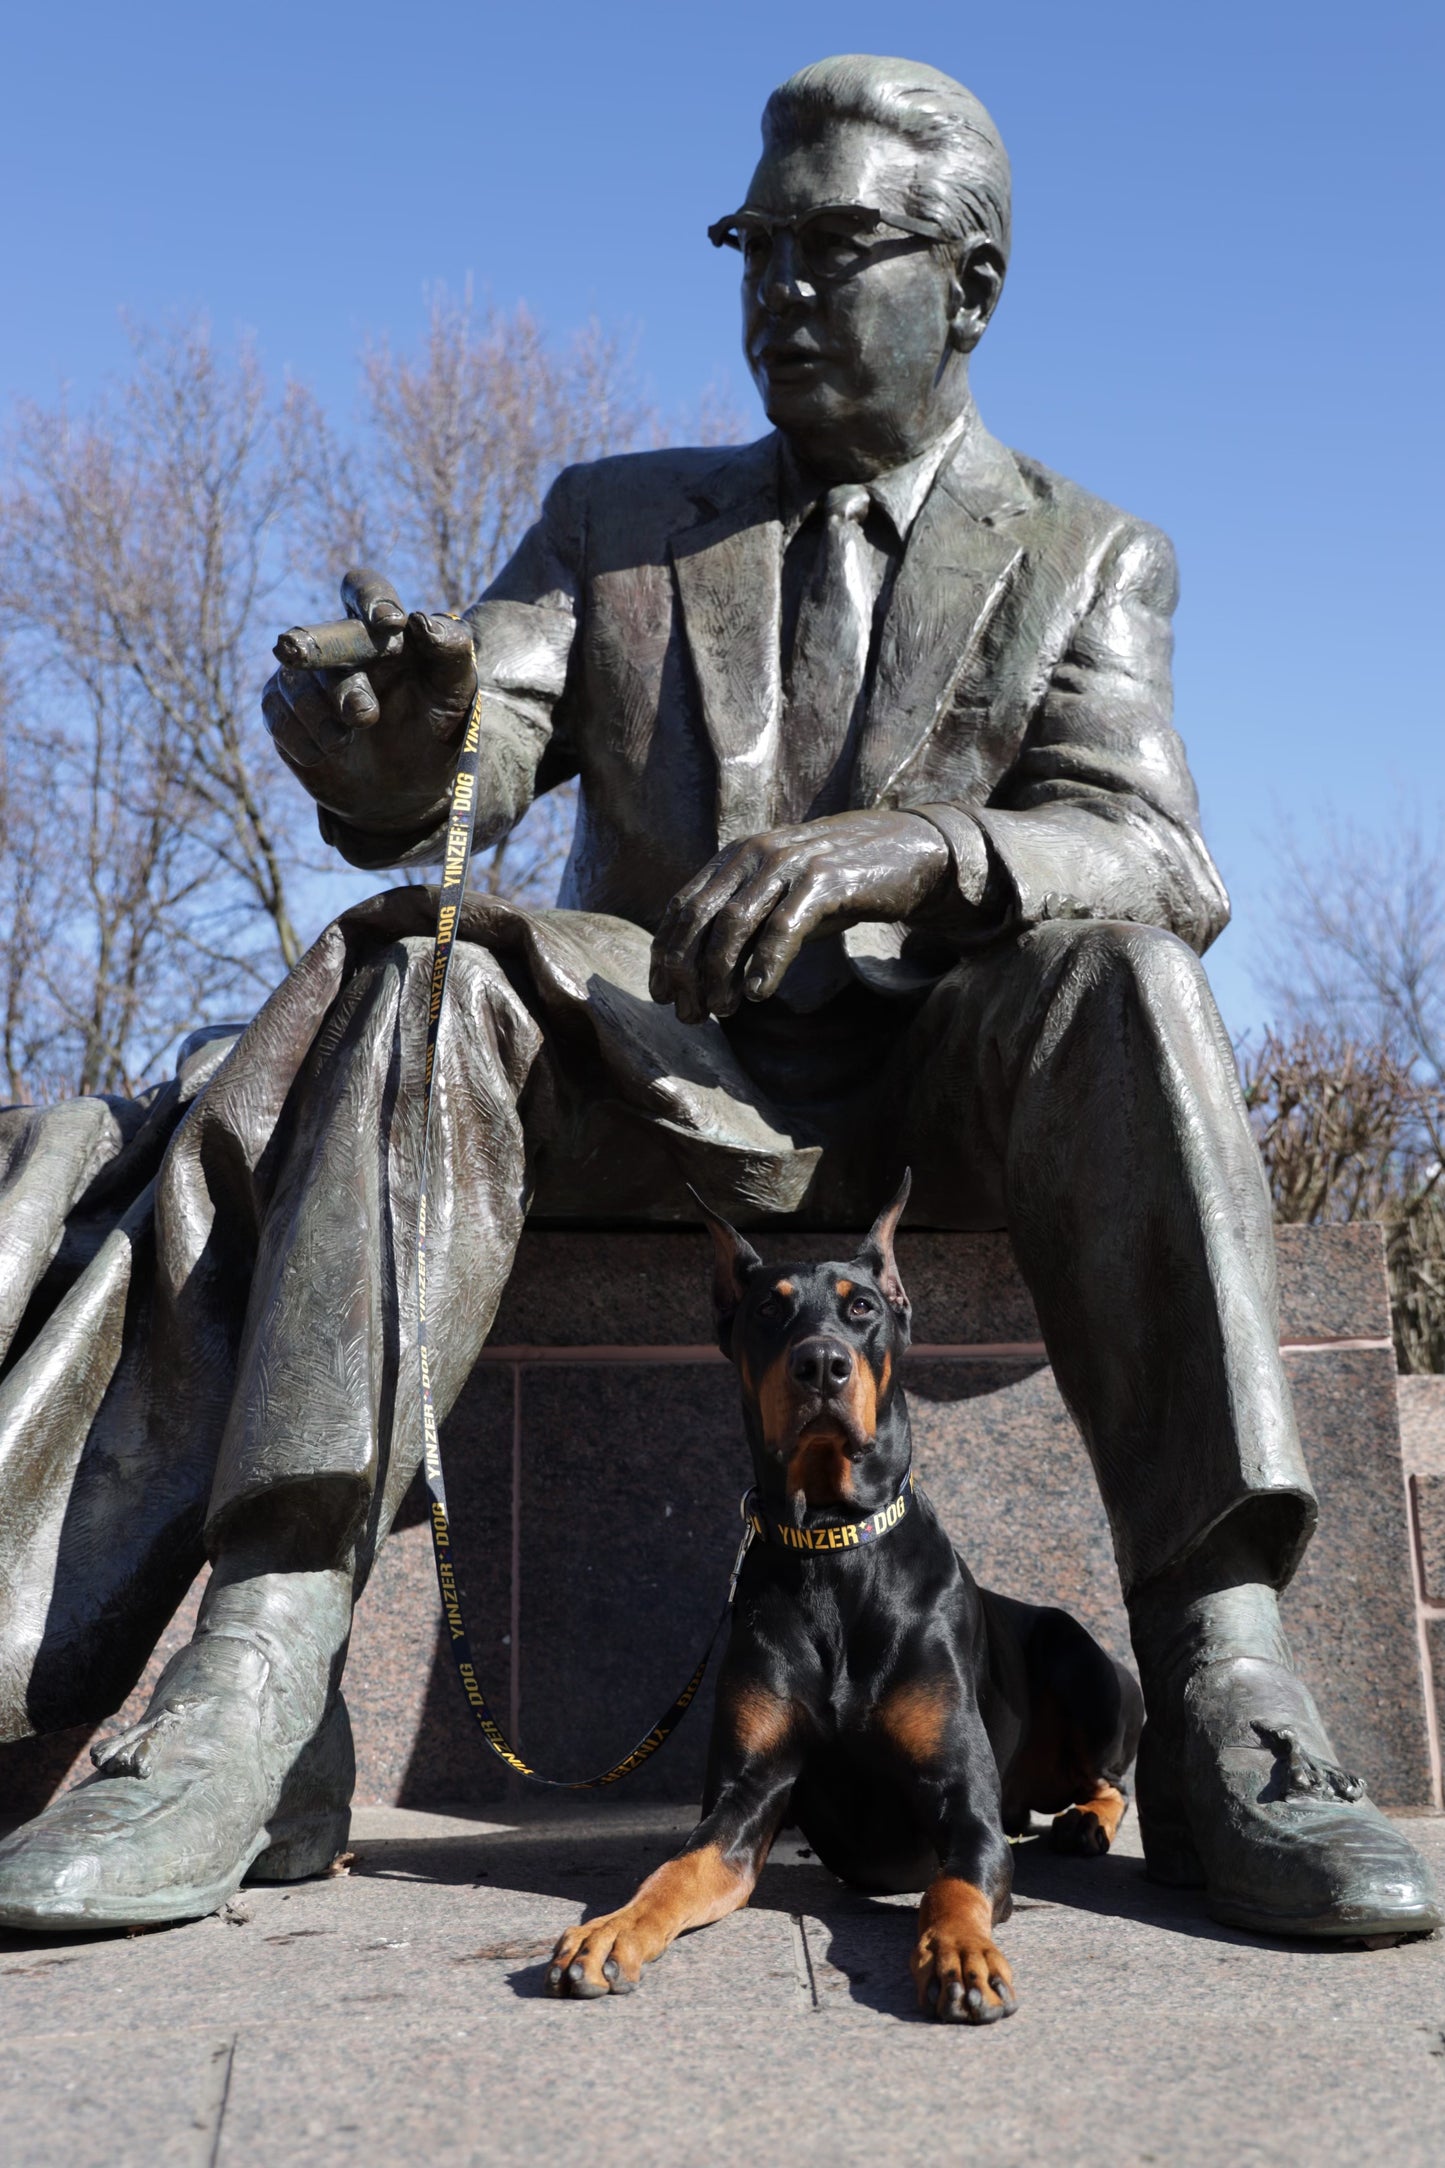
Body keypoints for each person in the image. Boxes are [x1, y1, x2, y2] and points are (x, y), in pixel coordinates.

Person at [0, 54, 1434, 1940]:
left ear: (968, 285)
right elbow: (476, 733)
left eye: (835, 247)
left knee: (1130, 978)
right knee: (414, 964)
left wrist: (906, 847)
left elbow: (1156, 852)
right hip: (657, 1067)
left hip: (951, 1076)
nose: (781, 286)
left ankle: (1226, 1676)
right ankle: (257, 1679)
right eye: (755, 244)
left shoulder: (1088, 554)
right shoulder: (615, 526)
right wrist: (391, 734)